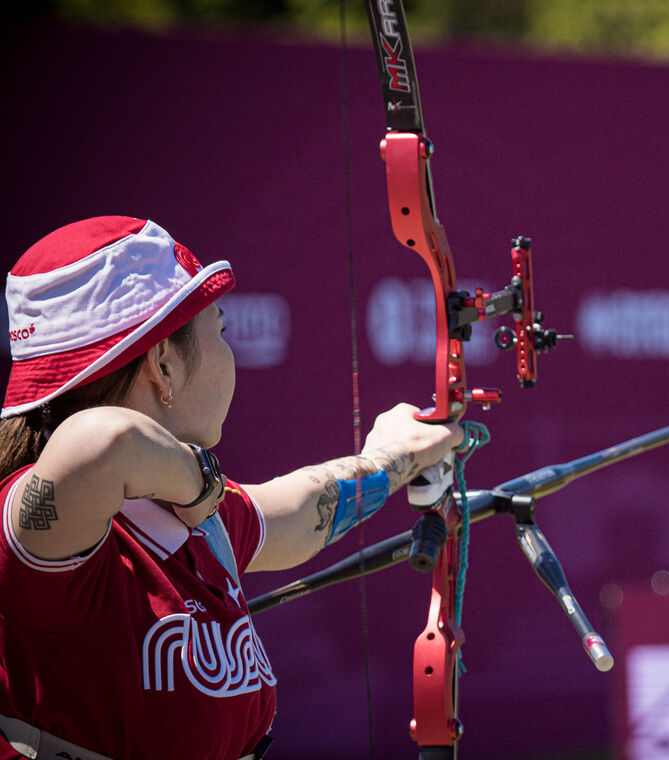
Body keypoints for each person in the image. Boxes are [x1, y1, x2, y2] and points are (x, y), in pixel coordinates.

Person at [0, 216, 463, 760]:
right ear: (163, 364)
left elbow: (294, 514)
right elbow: (100, 442)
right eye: (219, 331)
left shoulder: (187, 517)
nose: (229, 353)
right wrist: (202, 485)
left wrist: (391, 461)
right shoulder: (41, 532)